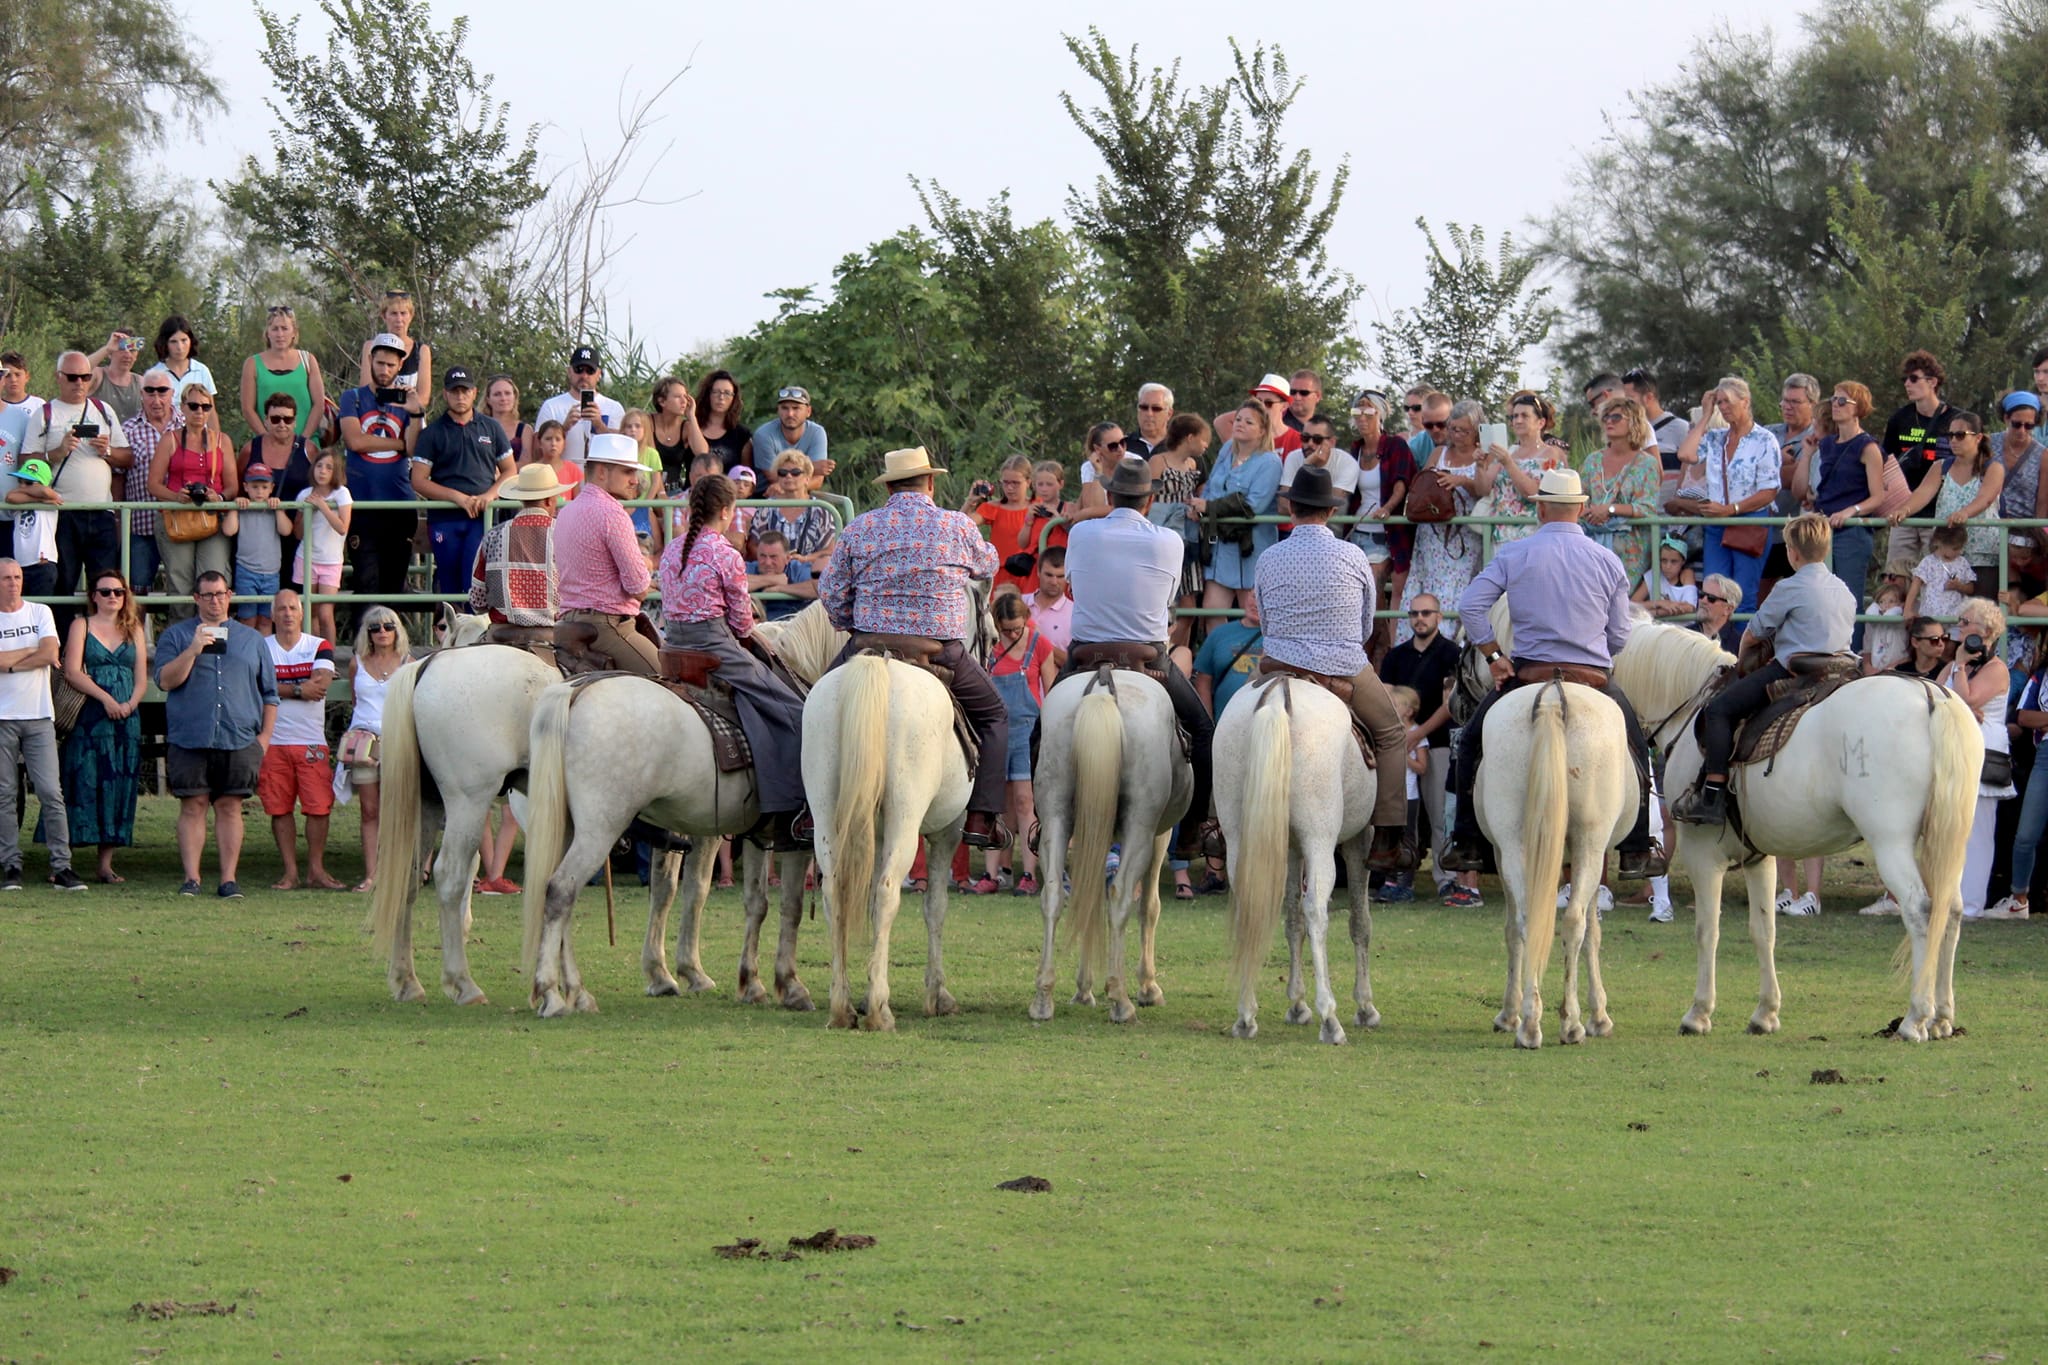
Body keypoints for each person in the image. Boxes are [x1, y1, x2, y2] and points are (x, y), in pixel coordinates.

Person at [1444, 468, 1664, 879]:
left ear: (1540, 507)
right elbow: (1619, 634)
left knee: (1470, 742)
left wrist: (1494, 656)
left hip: (1528, 674)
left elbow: (1471, 607)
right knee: (1637, 747)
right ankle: (1636, 847)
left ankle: (1467, 841)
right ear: (1581, 508)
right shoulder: (1607, 560)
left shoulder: (1513, 554)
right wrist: (1598, 653)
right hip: (1593, 677)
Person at [817, 445, 1010, 847]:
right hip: (939, 650)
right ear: (932, 482)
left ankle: (804, 810)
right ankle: (980, 817)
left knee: (811, 711)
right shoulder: (956, 526)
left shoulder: (860, 528)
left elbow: (832, 593)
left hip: (867, 646)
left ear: (889, 488)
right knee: (995, 717)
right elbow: (987, 565)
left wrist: (850, 624)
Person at [1050, 455, 1220, 861]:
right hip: (1150, 660)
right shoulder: (1169, 540)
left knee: (1045, 729)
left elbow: (1072, 585)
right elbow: (1167, 599)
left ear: (1110, 495)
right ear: (1149, 501)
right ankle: (1196, 828)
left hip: (1085, 655)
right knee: (1203, 732)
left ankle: (1047, 819)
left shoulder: (1082, 534)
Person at [1250, 462, 1411, 868]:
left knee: (1230, 728)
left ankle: (1216, 823)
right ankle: (1388, 838)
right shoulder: (1353, 555)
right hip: (1342, 666)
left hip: (1279, 665)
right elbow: (1364, 625)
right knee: (1391, 733)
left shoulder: (1270, 557)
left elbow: (1266, 622)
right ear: (1331, 511)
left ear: (1291, 509)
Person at [655, 471, 810, 845]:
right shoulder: (726, 554)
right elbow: (741, 621)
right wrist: (752, 637)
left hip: (672, 643)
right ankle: (786, 807)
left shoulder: (673, 549)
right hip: (713, 644)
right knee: (794, 710)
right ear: (727, 511)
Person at [1675, 513, 1857, 826]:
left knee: (1719, 709)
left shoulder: (1790, 586)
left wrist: (1741, 662)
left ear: (1793, 552)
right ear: (1826, 550)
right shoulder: (1844, 589)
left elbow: (1754, 634)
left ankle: (1713, 794)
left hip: (1795, 672)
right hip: (1842, 671)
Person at [155, 570, 278, 899]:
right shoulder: (176, 637)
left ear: (230, 595)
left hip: (238, 737)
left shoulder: (252, 640)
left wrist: (263, 739)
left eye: (220, 594)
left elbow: (270, 693)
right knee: (192, 805)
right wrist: (193, 650)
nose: (214, 601)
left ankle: (228, 880)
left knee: (229, 806)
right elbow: (166, 681)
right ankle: (191, 879)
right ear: (196, 598)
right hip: (190, 734)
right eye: (207, 595)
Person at [24, 350, 131, 616]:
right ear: (58, 377)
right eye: (72, 377)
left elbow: (128, 457)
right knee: (62, 585)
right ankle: (59, 651)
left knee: (106, 586)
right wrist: (56, 453)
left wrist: (107, 451)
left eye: (85, 376)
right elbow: (26, 463)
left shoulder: (103, 410)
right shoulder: (45, 413)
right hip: (61, 513)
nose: (79, 383)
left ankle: (99, 650)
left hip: (101, 512)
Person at [0, 558, 85, 891]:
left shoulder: (40, 612)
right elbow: (40, 652)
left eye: (17, 576)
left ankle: (62, 867)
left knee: (51, 792)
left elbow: (51, 654)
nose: (13, 582)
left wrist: (7, 663)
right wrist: (29, 651)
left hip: (38, 715)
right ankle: (11, 865)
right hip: (3, 718)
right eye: (6, 577)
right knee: (5, 795)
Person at [59, 569, 145, 883]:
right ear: (93, 595)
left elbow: (141, 677)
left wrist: (130, 704)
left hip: (126, 719)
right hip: (90, 716)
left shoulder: (134, 627)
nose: (112, 597)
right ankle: (63, 862)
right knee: (81, 780)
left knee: (118, 785)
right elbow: (72, 671)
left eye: (118, 592)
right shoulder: (81, 625)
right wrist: (106, 699)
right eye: (105, 591)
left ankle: (105, 864)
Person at [971, 590, 1058, 895]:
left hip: (1027, 730)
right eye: (1006, 629)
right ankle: (990, 873)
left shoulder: (1039, 644)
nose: (1011, 634)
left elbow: (1050, 692)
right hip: (993, 730)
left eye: (1016, 628)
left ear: (1026, 621)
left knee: (1025, 801)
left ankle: (1029, 874)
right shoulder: (988, 646)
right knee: (991, 802)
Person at [1673, 377, 1781, 613]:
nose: (1723, 407)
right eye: (1719, 402)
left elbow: (1770, 490)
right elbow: (1686, 454)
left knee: (1743, 596)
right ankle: (1716, 645)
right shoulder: (1715, 438)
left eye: (1728, 402)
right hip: (1716, 523)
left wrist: (1732, 509)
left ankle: (1742, 649)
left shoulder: (1765, 440)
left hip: (1750, 523)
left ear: (1745, 401)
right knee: (1713, 593)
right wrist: (1705, 415)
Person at [554, 432, 659, 676]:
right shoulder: (613, 513)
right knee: (670, 681)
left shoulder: (566, 512)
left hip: (567, 623)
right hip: (607, 627)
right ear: (602, 472)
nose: (636, 480)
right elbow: (638, 587)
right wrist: (647, 564)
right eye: (628, 472)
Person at [1378, 592, 1461, 896]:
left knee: (1440, 816)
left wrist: (1418, 733)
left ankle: (1446, 878)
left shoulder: (1452, 654)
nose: (1420, 618)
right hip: (1398, 748)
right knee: (1398, 817)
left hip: (1437, 743)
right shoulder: (1395, 657)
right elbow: (1385, 700)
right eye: (1414, 613)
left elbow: (1450, 703)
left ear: (1439, 617)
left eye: (1426, 613)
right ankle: (1398, 877)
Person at [260, 589, 342, 891]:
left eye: (292, 608)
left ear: (301, 612)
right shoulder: (261, 646)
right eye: (281, 608)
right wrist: (297, 689)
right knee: (279, 808)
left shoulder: (319, 645)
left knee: (319, 807)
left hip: (310, 740)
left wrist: (277, 687)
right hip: (274, 740)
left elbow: (320, 684)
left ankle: (316, 870)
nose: (287, 613)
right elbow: (259, 685)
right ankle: (290, 872)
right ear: (272, 614)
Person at [1797, 380, 1888, 649]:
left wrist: (1851, 511)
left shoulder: (1868, 447)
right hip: (1823, 529)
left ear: (1857, 408)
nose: (1834, 406)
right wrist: (1808, 455)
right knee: (1819, 595)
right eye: (1833, 400)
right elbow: (1814, 488)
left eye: (1841, 401)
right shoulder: (1826, 445)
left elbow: (1878, 496)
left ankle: (1852, 654)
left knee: (1849, 598)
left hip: (1852, 531)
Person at [411, 365, 515, 595]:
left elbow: (510, 471)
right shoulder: (433, 433)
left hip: (481, 518)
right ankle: (453, 631)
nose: (460, 396)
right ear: (446, 393)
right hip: (444, 519)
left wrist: (489, 495)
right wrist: (457, 497)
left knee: (475, 583)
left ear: (475, 392)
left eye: (465, 391)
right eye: (455, 391)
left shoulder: (492, 427)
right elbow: (418, 480)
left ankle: (477, 631)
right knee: (448, 585)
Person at [337, 334, 418, 609]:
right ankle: (363, 651)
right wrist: (398, 443)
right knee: (365, 586)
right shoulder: (353, 397)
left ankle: (393, 651)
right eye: (380, 363)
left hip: (399, 505)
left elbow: (414, 448)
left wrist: (416, 414)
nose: (384, 370)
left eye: (391, 365)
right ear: (370, 360)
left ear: (400, 366)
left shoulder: (408, 402)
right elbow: (355, 441)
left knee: (394, 590)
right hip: (362, 504)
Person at [1945, 599, 2014, 918]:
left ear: (1985, 631)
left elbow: (1967, 698)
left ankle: (1970, 904)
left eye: (1965, 621)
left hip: (1983, 755)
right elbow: (1933, 694)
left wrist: (1959, 671)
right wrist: (1958, 672)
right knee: (1948, 829)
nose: (1959, 626)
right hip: (1951, 749)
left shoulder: (1996, 668)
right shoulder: (1956, 662)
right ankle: (1946, 897)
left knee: (1978, 832)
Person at [1399, 400, 1488, 642]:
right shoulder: (1439, 453)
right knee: (1425, 586)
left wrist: (1462, 481)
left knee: (1456, 591)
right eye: (1453, 429)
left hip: (1464, 538)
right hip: (1431, 536)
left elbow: (1484, 489)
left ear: (1477, 430)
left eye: (1463, 430)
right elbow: (1422, 484)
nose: (1457, 435)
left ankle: (1448, 646)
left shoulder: (1483, 455)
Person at [149, 384, 239, 612]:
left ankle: (214, 639)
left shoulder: (222, 441)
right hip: (177, 519)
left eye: (206, 406)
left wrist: (216, 496)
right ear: (183, 408)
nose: (200, 411)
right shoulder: (170, 440)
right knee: (180, 584)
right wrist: (175, 496)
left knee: (214, 580)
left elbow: (232, 486)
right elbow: (153, 484)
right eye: (194, 405)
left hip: (212, 519)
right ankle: (182, 641)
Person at [1892, 409, 2003, 586]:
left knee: (1980, 607)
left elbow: (1986, 498)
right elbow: (1922, 493)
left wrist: (1965, 513)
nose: (1953, 440)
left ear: (1978, 437)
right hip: (1946, 551)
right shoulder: (1941, 467)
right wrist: (1904, 510)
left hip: (1982, 554)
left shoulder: (1993, 468)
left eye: (1960, 435)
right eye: (1949, 435)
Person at [344, 607, 407, 893]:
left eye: (388, 626)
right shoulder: (357, 662)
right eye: (375, 627)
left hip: (397, 740)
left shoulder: (409, 663)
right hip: (364, 741)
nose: (382, 632)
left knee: (396, 809)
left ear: (397, 630)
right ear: (367, 633)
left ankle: (396, 873)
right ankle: (372, 874)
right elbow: (356, 701)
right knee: (369, 810)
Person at [1346, 390, 1415, 639]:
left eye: (1368, 411)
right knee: (1358, 597)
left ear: (1380, 414)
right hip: (1357, 532)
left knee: (1373, 592)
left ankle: (1382, 651)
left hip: (1387, 534)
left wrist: (1388, 507)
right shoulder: (1354, 449)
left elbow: (1401, 482)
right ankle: (1364, 650)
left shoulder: (1395, 446)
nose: (1362, 417)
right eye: (1357, 411)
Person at [1202, 402, 1284, 611]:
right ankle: (1219, 645)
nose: (1240, 424)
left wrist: (1208, 506)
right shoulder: (1227, 449)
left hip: (1251, 548)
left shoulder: (1270, 462)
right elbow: (1211, 485)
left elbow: (1254, 506)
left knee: (1253, 612)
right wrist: (1199, 506)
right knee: (1211, 610)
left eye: (1249, 422)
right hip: (1219, 546)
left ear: (1263, 430)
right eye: (1238, 419)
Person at [1880, 349, 1957, 568]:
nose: (1907, 384)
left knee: (1934, 578)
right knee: (1896, 576)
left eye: (1914, 379)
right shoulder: (1899, 418)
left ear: (1933, 382)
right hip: (1903, 513)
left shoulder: (1955, 419)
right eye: (1905, 379)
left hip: (1940, 514)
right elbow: (1887, 463)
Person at [1577, 395, 1663, 589]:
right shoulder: (1592, 460)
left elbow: (1647, 508)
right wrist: (1590, 511)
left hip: (1630, 546)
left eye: (1616, 417)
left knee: (1620, 602)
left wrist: (1611, 509)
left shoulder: (1647, 463)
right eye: (1606, 417)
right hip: (1592, 541)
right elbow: (1579, 496)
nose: (1609, 421)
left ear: (1633, 422)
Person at [467, 462, 561, 624]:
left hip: (502, 631)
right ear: (549, 500)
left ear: (521, 498)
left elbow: (477, 599)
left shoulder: (493, 535)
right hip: (553, 633)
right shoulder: (562, 533)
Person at [1992, 643, 2048, 918]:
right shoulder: (2041, 674)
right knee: (2026, 834)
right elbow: (2024, 717)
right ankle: (2019, 899)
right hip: (2045, 757)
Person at [1147, 415, 1209, 644]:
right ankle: (1165, 649)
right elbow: (1148, 499)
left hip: (1187, 538)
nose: (1205, 445)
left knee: (1190, 607)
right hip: (1163, 536)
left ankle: (1178, 652)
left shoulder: (1192, 465)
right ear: (1189, 438)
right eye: (1203, 440)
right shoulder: (1158, 462)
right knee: (1165, 603)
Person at [119, 369, 178, 594]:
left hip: (180, 524)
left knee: (181, 588)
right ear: (141, 394)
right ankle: (135, 631)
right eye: (150, 392)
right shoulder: (127, 430)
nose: (157, 399)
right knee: (136, 592)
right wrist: (118, 519)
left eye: (162, 391)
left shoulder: (189, 426)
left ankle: (178, 631)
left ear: (172, 393)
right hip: (140, 524)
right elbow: (118, 478)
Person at [1479, 390, 1562, 546]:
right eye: (1514, 416)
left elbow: (1534, 493)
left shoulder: (1550, 454)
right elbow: (1482, 489)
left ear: (1541, 423)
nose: (1518, 420)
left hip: (1532, 537)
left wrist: (1509, 463)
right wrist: (1480, 465)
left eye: (1525, 416)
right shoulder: (1508, 451)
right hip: (1500, 537)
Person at [239, 305, 325, 439]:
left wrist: (304, 440)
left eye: (284, 328)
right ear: (267, 332)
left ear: (294, 332)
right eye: (275, 329)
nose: (280, 334)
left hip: (306, 443)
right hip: (268, 445)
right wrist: (266, 440)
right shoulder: (252, 364)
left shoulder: (308, 360)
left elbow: (319, 405)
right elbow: (248, 409)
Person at [225, 464, 290, 632]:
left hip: (271, 573)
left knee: (266, 620)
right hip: (246, 570)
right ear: (246, 487)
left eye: (264, 487)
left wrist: (279, 509)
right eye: (254, 487)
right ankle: (248, 657)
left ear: (271, 488)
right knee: (247, 619)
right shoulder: (242, 508)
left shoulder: (274, 508)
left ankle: (263, 656)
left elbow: (286, 530)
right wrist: (234, 507)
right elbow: (228, 530)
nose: (259, 492)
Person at [535, 346, 623, 468]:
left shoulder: (613, 407)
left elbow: (621, 450)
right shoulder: (551, 406)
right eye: (579, 369)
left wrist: (599, 425)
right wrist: (563, 429)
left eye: (590, 371)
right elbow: (536, 451)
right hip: (562, 482)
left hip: (600, 483)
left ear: (599, 374)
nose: (584, 375)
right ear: (569, 371)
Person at [296, 450, 351, 644]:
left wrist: (323, 506)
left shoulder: (341, 494)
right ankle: (311, 655)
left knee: (326, 613)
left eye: (329, 467)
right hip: (306, 558)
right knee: (309, 613)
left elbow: (342, 528)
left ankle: (329, 659)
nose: (322, 471)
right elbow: (298, 533)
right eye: (319, 466)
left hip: (331, 561)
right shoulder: (304, 494)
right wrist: (305, 511)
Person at [968, 455, 1043, 595]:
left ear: (1028, 482)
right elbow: (960, 524)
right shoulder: (993, 507)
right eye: (1005, 482)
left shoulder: (1038, 506)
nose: (1010, 488)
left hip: (1029, 574)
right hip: (1000, 575)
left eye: (1015, 483)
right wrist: (970, 501)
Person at [355, 289, 432, 416]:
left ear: (411, 316)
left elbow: (423, 399)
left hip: (409, 421)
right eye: (394, 313)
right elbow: (366, 391)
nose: (399, 319)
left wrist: (388, 397)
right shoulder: (370, 346)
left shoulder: (422, 351)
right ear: (384, 316)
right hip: (376, 417)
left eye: (403, 313)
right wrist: (403, 397)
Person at [1278, 416, 1359, 518]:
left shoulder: (1347, 462)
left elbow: (1330, 508)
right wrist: (1307, 466)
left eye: (1317, 439)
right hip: (1299, 527)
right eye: (1305, 438)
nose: (1310, 444)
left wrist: (1299, 508)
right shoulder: (1294, 457)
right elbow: (1283, 506)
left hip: (1334, 529)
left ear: (1332, 442)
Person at [6, 459, 61, 598]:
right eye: (20, 481)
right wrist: (37, 501)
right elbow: (10, 497)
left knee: (40, 607)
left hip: (42, 564)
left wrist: (36, 494)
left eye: (29, 483)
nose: (23, 486)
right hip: (20, 566)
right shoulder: (23, 498)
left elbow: (47, 492)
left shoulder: (53, 497)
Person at [750, 384, 831, 479]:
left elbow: (817, 480)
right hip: (768, 492)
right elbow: (774, 478)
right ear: (778, 410)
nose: (790, 414)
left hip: (804, 492)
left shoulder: (817, 433)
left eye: (796, 408)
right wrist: (811, 467)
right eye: (784, 408)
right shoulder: (764, 434)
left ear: (808, 411)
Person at [614, 407, 666, 548]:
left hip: (644, 504)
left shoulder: (652, 454)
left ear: (645, 430)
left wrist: (646, 503)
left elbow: (656, 481)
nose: (633, 430)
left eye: (637, 426)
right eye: (629, 426)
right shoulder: (619, 453)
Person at [1993, 391, 2046, 528]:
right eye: (2016, 424)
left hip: (2023, 530)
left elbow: (2042, 502)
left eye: (2029, 426)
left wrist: (2039, 534)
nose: (2022, 430)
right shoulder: (1987, 444)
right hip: (1988, 525)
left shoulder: (2043, 456)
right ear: (2006, 418)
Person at [1905, 526, 1976, 628]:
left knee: (1951, 642)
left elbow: (1971, 588)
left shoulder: (1962, 562)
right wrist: (1908, 609)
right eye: (1955, 548)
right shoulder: (1928, 562)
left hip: (1955, 620)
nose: (1959, 552)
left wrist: (1959, 586)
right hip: (1930, 618)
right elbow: (1915, 586)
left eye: (1961, 548)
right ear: (1939, 542)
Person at [745, 529, 815, 622]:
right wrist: (772, 580)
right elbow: (732, 583)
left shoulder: (797, 569)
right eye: (762, 556)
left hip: (791, 627)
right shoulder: (750, 567)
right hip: (756, 628)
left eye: (773, 557)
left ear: (787, 558)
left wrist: (780, 589)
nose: (768, 562)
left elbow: (817, 588)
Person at [83, 327, 147, 427]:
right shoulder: (98, 376)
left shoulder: (142, 382)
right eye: (121, 349)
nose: (127, 355)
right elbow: (77, 370)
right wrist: (106, 349)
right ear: (110, 353)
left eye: (132, 350)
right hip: (100, 439)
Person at [144, 315, 215, 405]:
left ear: (190, 341)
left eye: (184, 340)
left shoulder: (201, 371)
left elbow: (210, 410)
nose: (180, 347)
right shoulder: (154, 374)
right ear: (165, 343)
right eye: (173, 342)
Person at [693, 369, 752, 472]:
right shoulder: (692, 427)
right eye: (716, 392)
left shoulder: (742, 434)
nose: (721, 397)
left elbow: (746, 475)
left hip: (728, 487)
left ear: (734, 398)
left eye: (727, 393)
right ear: (708, 394)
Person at [1635, 537, 1699, 617]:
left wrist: (1655, 613)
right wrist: (1658, 603)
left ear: (1683, 561)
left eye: (1674, 561)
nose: (1668, 566)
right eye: (1664, 560)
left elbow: (1689, 607)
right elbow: (1632, 605)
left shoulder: (1687, 574)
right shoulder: (1653, 574)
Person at [1028, 546, 1072, 661]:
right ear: (1038, 572)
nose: (1054, 582)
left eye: (1060, 576)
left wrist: (1038, 640)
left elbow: (1073, 665)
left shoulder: (1075, 614)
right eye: (1048, 575)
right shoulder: (1019, 603)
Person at [522, 420, 581, 503]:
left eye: (558, 439)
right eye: (548, 439)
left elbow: (577, 501)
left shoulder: (572, 469)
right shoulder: (532, 470)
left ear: (564, 443)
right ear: (539, 443)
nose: (553, 443)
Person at [1862, 579, 1908, 674]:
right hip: (1876, 668)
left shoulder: (1900, 621)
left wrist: (1897, 608)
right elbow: (1869, 613)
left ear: (1901, 604)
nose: (1886, 605)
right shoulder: (1875, 622)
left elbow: (1892, 614)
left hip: (1897, 668)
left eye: (1891, 601)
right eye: (1881, 601)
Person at [484, 374, 529, 464]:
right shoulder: (477, 427)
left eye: (507, 393)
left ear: (514, 397)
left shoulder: (525, 430)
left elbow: (526, 463)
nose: (503, 398)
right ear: (488, 399)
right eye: (497, 394)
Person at [1696, 574, 1746, 654]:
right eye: (1701, 594)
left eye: (1711, 598)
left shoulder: (1739, 646)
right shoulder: (1684, 635)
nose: (1703, 601)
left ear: (1728, 609)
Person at [1126, 382, 1174, 458]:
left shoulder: (1181, 448)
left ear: (1169, 414)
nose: (1149, 413)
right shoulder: (1122, 446)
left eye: (1156, 408)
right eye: (1144, 407)